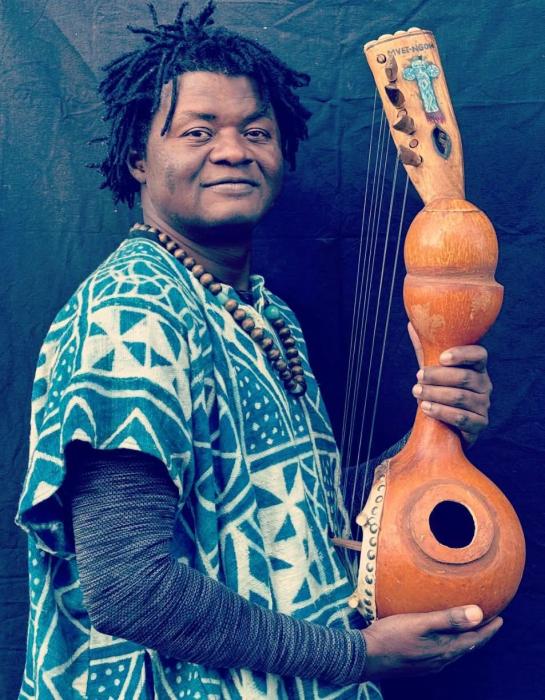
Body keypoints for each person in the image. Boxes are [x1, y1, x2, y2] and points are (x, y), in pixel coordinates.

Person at [16, 3, 500, 698]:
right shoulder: (133, 313)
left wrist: (435, 436)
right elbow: (129, 587)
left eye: (256, 131)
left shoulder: (264, 315)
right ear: (138, 158)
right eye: (197, 131)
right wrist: (355, 655)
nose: (233, 150)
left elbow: (296, 506)